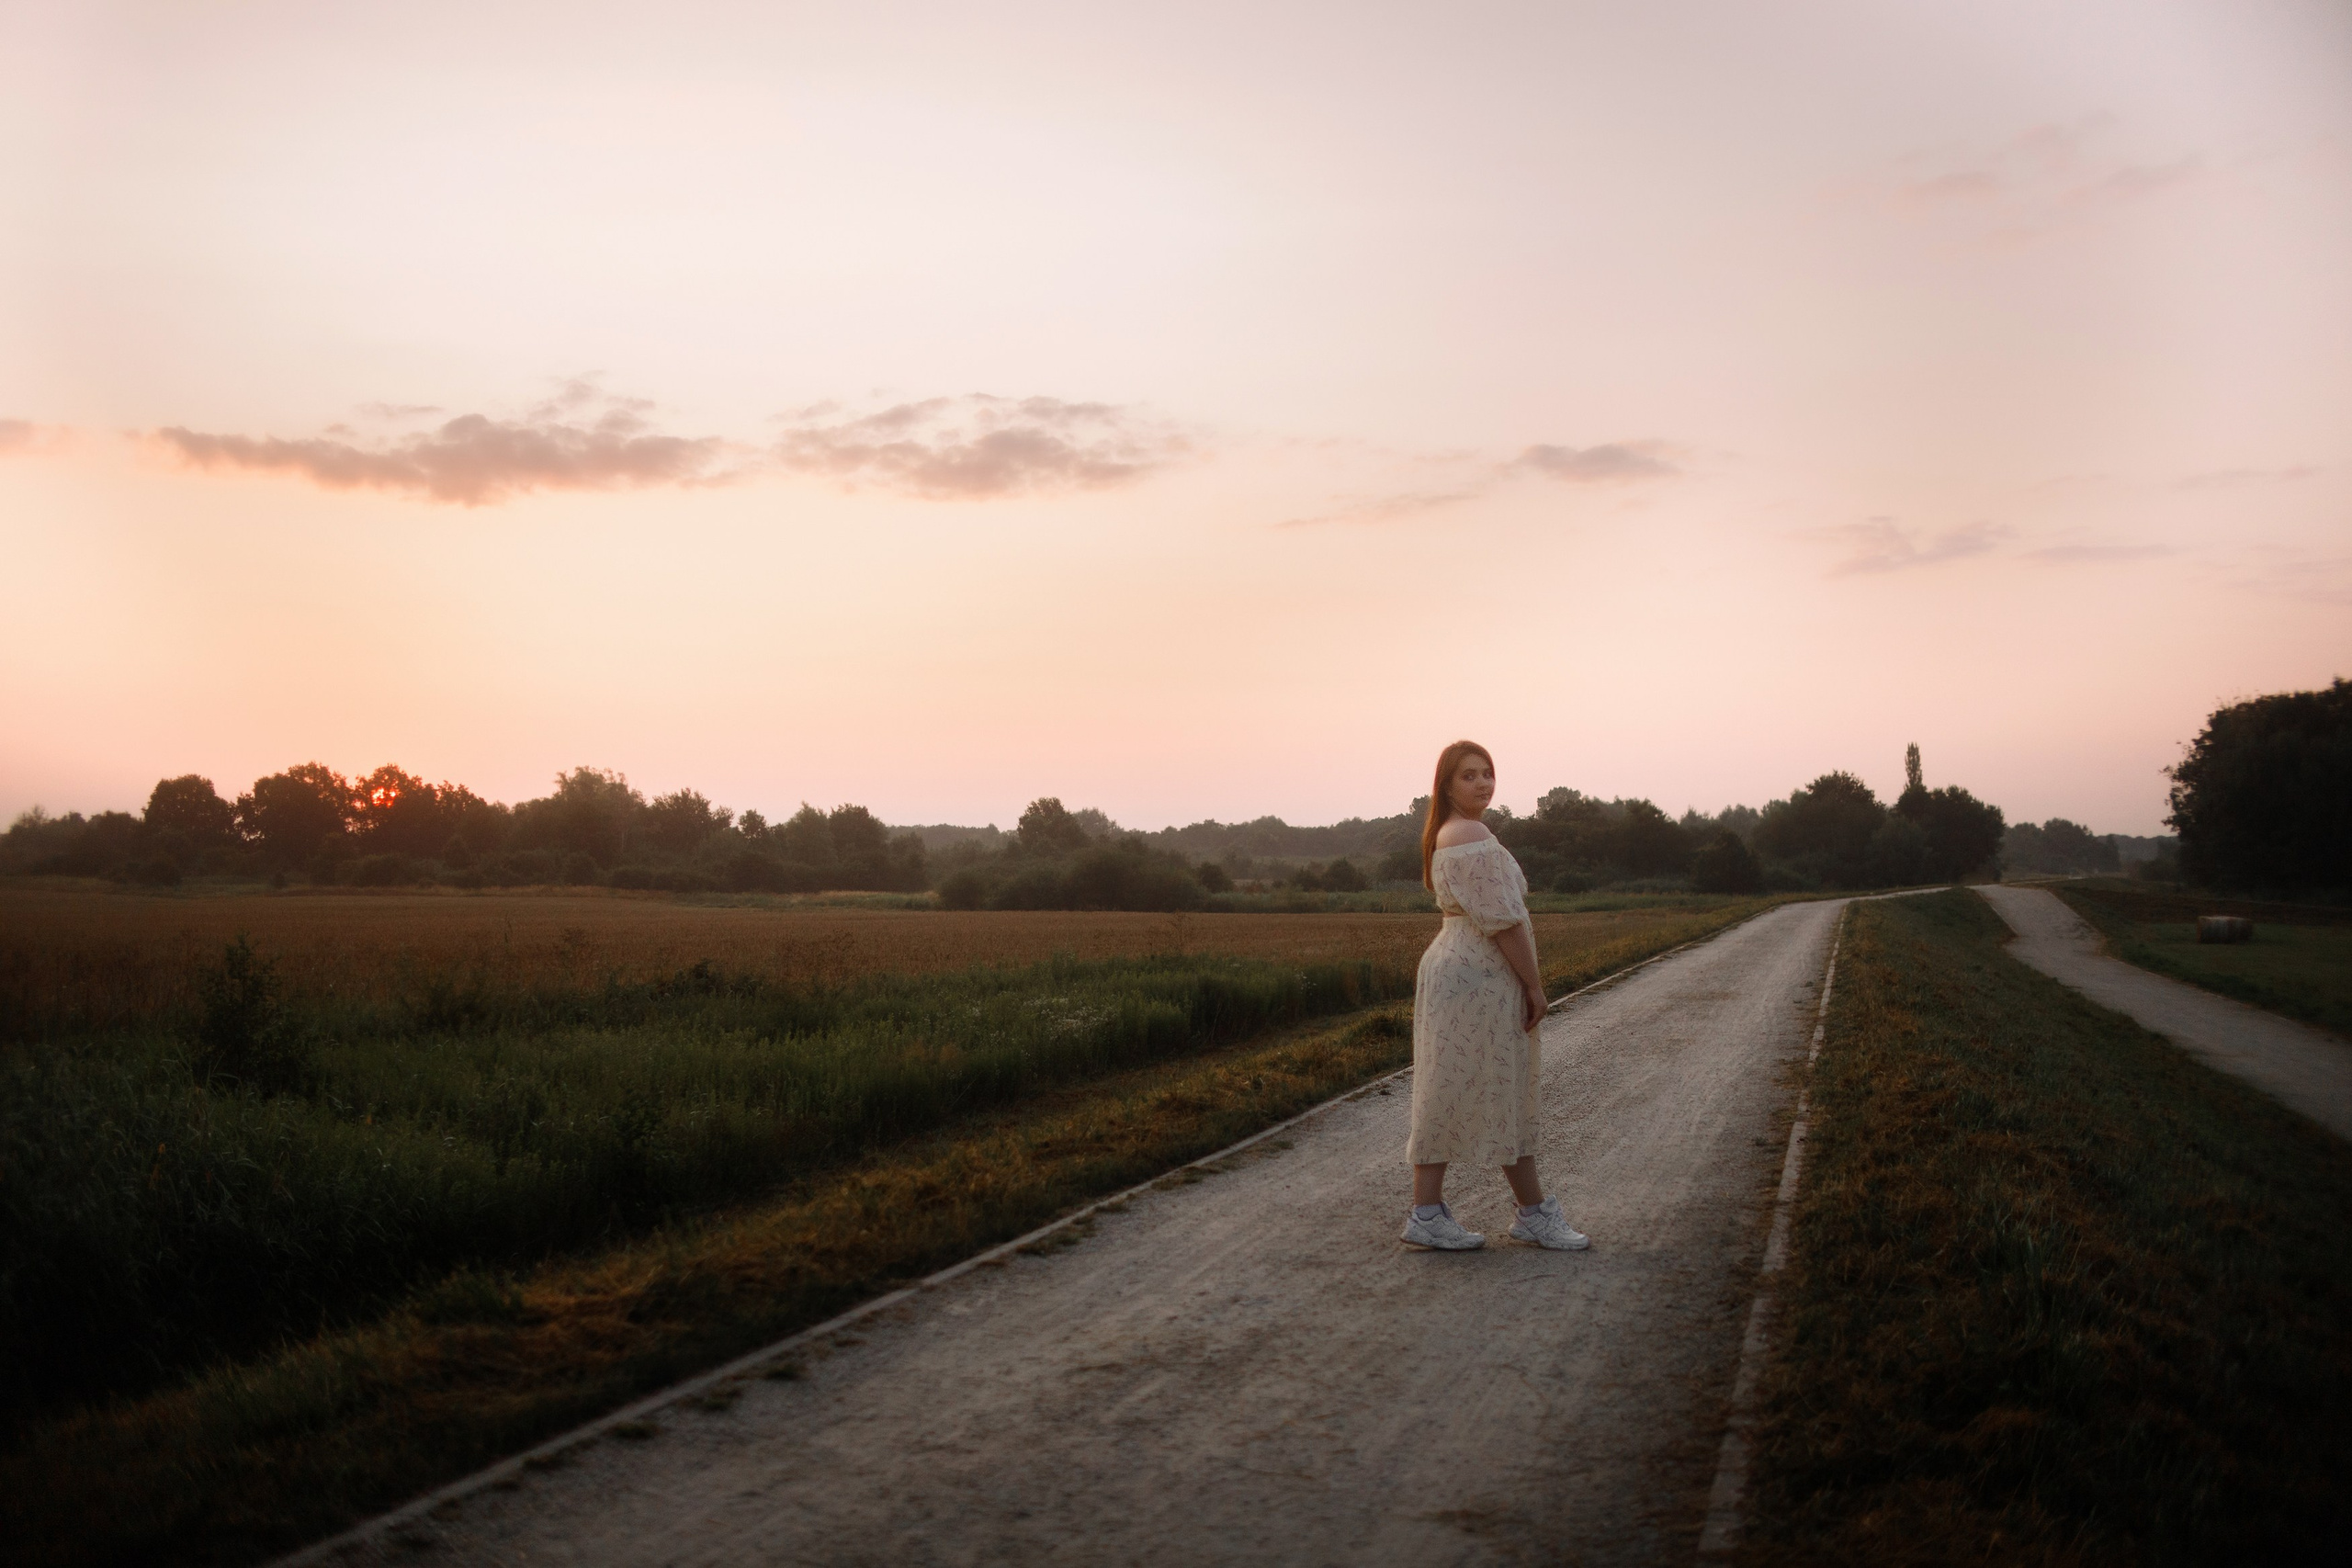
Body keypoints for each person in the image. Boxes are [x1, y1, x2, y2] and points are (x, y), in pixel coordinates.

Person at [1400, 740, 1589, 1251]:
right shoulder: (1469, 834)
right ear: (1446, 785)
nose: (1483, 783)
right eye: (1469, 776)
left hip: (1459, 971)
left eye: (1488, 773)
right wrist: (1533, 984)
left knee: (1453, 1084)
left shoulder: (1450, 833)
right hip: (1477, 976)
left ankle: (1431, 1210)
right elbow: (1504, 922)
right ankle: (1529, 1213)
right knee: (1501, 1085)